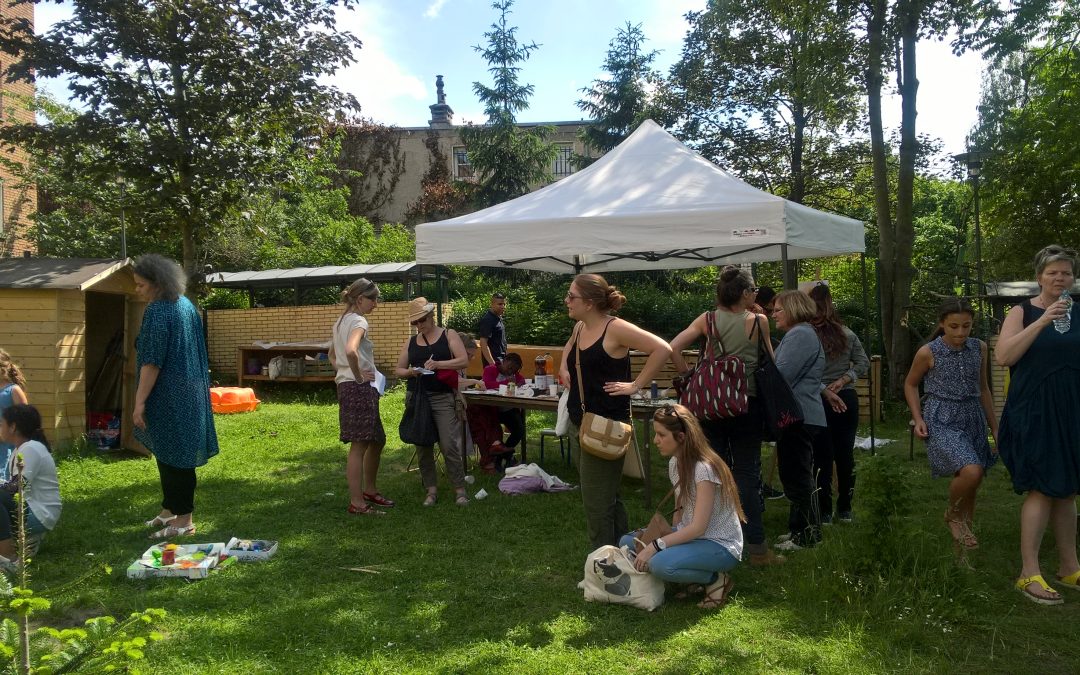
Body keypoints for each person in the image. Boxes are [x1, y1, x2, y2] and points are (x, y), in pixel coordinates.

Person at [670, 266, 778, 565]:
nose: (755, 295)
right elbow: (771, 359)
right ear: (744, 293)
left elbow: (673, 346)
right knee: (746, 473)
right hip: (748, 404)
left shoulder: (707, 320)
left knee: (710, 473)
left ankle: (711, 537)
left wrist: (687, 375)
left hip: (710, 405)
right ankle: (756, 547)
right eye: (753, 290)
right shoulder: (759, 321)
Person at [558, 274, 671, 549]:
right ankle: (622, 552)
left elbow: (662, 348)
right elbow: (570, 348)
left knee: (596, 503)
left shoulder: (615, 328)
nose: (566, 301)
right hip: (581, 421)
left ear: (589, 302)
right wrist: (564, 367)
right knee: (607, 496)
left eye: (572, 296)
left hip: (608, 426)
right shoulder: (580, 328)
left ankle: (602, 564)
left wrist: (636, 385)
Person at [995, 245, 1080, 605]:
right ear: (1039, 277)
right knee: (1042, 488)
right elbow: (1004, 356)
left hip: (1072, 409)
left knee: (1068, 487)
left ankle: (1069, 566)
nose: (1060, 278)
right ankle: (1028, 572)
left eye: (1066, 273)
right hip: (1035, 410)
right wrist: (1043, 321)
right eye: (1052, 273)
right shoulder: (1022, 311)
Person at [620, 404, 745, 609]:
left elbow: (698, 528)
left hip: (720, 544)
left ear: (681, 437)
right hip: (693, 536)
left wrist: (656, 546)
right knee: (627, 541)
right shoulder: (675, 463)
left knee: (659, 564)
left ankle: (715, 579)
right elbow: (681, 504)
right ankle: (691, 574)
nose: (655, 440)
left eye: (661, 435)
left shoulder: (704, 469)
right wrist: (670, 533)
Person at [132, 254, 219, 540]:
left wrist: (140, 401)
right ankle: (170, 510)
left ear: (158, 284)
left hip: (168, 394)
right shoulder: (185, 306)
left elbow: (152, 361)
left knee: (178, 458)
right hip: (190, 390)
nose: (137, 291)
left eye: (141, 286)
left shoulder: (159, 310)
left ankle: (184, 520)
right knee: (169, 452)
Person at [904, 298, 997, 554]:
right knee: (972, 470)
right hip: (942, 416)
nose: (960, 332)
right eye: (954, 326)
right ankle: (953, 515)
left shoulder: (979, 348)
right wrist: (918, 418)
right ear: (942, 323)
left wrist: (995, 427)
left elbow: (984, 389)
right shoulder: (928, 352)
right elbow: (910, 384)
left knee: (971, 481)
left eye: (966, 326)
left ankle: (965, 531)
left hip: (973, 415)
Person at [770, 290, 846, 551]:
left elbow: (782, 375)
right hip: (802, 414)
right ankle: (798, 529)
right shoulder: (800, 333)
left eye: (778, 309)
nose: (773, 314)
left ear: (792, 309)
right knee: (794, 473)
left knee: (798, 474)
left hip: (799, 415)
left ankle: (806, 536)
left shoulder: (800, 334)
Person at [395, 297, 471, 506]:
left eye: (422, 321)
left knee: (448, 444)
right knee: (423, 444)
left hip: (443, 397)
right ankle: (431, 490)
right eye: (415, 323)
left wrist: (438, 364)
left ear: (431, 317)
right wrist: (412, 371)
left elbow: (463, 360)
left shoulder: (448, 335)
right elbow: (398, 370)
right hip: (418, 397)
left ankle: (460, 489)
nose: (419, 326)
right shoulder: (411, 342)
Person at [328, 278, 391, 516]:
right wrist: (357, 376)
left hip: (348, 386)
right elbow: (349, 351)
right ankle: (357, 502)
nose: (376, 303)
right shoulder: (359, 321)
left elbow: (332, 355)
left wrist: (343, 372)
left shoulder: (340, 321)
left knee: (377, 439)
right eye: (373, 298)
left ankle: (370, 490)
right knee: (359, 446)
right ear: (359, 299)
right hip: (359, 388)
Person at [808, 283, 870, 524]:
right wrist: (845, 379)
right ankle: (844, 508)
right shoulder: (848, 333)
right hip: (846, 397)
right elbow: (863, 363)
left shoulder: (807, 335)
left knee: (821, 457)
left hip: (818, 398)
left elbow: (804, 370)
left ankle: (824, 511)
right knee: (845, 456)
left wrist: (825, 387)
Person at [0, 405, 60, 572]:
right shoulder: (22, 449)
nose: (0, 428)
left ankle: (9, 559)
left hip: (39, 513)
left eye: (2, 424)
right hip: (30, 508)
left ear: (13, 427)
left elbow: (16, 486)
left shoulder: (31, 448)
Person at [482, 353, 527, 470]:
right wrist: (507, 383)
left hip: (507, 409)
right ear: (505, 361)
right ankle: (507, 458)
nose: (511, 372)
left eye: (514, 370)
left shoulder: (513, 375)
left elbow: (522, 380)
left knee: (519, 430)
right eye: (510, 368)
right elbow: (487, 384)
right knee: (494, 430)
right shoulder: (490, 369)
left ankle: (501, 456)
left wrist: (519, 383)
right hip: (492, 409)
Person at [0, 350, 28, 481]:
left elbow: (25, 419)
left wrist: (6, 433)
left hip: (6, 445)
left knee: (4, 479)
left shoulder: (13, 390)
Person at [477, 292, 508, 367]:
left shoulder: (497, 318)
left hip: (501, 361)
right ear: (492, 304)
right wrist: (492, 364)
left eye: (504, 304)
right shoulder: (488, 320)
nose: (503, 306)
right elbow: (483, 343)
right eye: (500, 304)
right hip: (493, 363)